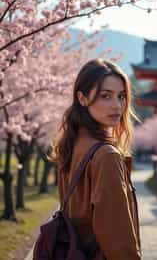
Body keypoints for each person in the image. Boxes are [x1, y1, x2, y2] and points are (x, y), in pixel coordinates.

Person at [51, 58, 142, 260]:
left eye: (121, 96)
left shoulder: (71, 146)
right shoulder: (106, 156)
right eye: (105, 96)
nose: (117, 105)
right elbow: (119, 241)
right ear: (82, 98)